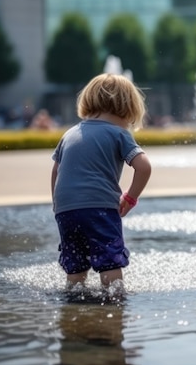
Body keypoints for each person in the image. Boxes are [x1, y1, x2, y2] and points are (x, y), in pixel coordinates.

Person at [51, 73, 152, 290]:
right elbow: (144, 167)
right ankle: (115, 304)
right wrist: (130, 197)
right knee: (109, 261)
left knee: (75, 265)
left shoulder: (69, 133)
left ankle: (73, 304)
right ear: (129, 107)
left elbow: (56, 171)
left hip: (66, 209)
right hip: (100, 207)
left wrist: (57, 204)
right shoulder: (119, 134)